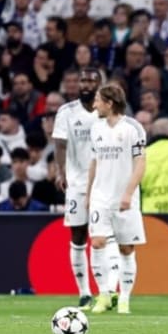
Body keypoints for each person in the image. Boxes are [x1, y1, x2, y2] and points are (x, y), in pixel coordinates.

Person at [53, 67, 118, 310]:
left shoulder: (109, 111)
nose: (86, 85)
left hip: (106, 182)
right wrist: (61, 172)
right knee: (78, 235)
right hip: (77, 183)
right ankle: (84, 292)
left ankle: (109, 290)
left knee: (107, 235)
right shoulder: (66, 112)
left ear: (100, 84)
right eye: (82, 80)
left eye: (91, 81)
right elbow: (60, 145)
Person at [87, 84, 147, 315]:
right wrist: (89, 193)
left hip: (124, 197)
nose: (94, 105)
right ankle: (104, 295)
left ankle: (124, 299)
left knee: (126, 248)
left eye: (97, 100)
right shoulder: (96, 128)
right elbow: (94, 162)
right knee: (97, 242)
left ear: (109, 103)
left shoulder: (133, 128)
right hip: (100, 196)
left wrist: (128, 193)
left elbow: (140, 162)